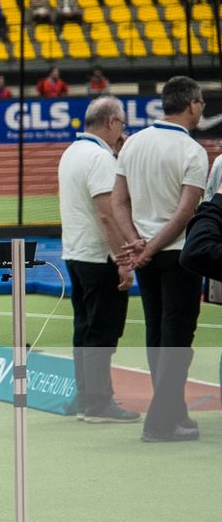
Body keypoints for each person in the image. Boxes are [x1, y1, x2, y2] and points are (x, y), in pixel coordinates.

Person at [114, 76, 207, 443]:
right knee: (178, 339)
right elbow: (186, 212)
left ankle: (173, 411)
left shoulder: (133, 143)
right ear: (192, 105)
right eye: (201, 102)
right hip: (177, 254)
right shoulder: (192, 152)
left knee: (157, 334)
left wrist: (136, 242)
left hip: (147, 256)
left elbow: (119, 201)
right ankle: (160, 422)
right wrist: (150, 246)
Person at [59, 98, 142, 424]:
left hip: (76, 253)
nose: (122, 130)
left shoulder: (72, 153)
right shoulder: (99, 159)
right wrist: (123, 260)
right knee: (103, 330)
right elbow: (108, 214)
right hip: (98, 257)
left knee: (84, 327)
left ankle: (83, 397)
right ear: (111, 122)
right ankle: (98, 402)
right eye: (121, 123)